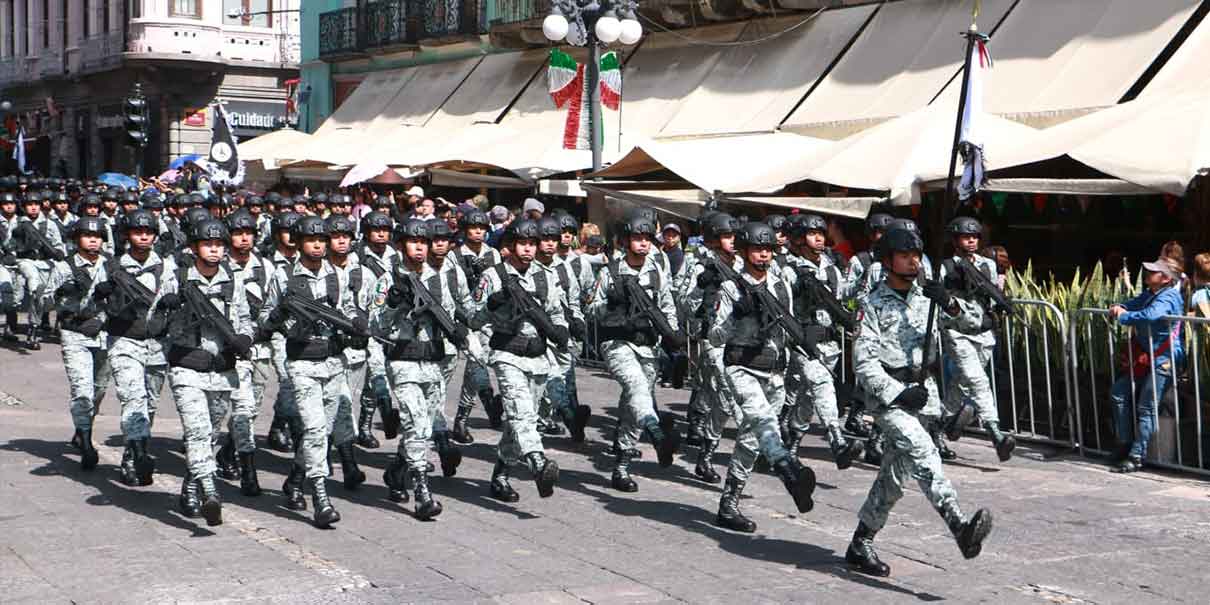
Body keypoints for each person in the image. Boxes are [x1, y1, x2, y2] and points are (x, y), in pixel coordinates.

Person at [848, 227, 993, 577]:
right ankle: (958, 525)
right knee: (924, 454)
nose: (914, 261)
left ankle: (860, 542)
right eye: (905, 255)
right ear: (887, 261)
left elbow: (976, 322)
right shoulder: (871, 305)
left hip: (924, 395)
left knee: (895, 476)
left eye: (917, 255)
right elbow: (863, 363)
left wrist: (949, 301)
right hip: (890, 399)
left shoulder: (927, 296)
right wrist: (898, 392)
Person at [261, 216, 361, 527]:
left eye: (322, 240)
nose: (318, 245)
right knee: (316, 430)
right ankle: (321, 496)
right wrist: (280, 316)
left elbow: (350, 310)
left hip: (333, 362)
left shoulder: (337, 275)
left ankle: (294, 479)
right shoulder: (283, 275)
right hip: (302, 363)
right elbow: (265, 318)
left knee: (323, 433)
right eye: (310, 240)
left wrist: (356, 326)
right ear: (299, 242)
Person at [155, 218, 254, 527]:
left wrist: (245, 339)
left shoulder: (233, 280)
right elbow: (153, 324)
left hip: (223, 371)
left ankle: (192, 482)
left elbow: (245, 318)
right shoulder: (177, 277)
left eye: (219, 245)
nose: (214, 249)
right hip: (187, 368)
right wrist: (168, 306)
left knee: (210, 433)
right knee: (197, 430)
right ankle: (211, 493)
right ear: (195, 247)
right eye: (208, 244)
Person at [368, 219, 464, 518]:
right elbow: (376, 325)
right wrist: (394, 304)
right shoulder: (389, 279)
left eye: (424, 242)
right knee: (415, 425)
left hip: (432, 363)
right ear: (400, 246)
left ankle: (396, 471)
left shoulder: (438, 278)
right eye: (413, 242)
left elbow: (450, 315)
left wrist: (459, 330)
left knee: (422, 424)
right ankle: (422, 491)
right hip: (404, 362)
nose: (420, 247)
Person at [472, 219, 566, 502]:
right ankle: (538, 462)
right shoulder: (493, 275)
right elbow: (473, 315)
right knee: (520, 411)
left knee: (521, 421)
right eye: (523, 244)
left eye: (532, 244)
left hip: (537, 358)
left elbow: (556, 311)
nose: (528, 249)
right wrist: (494, 303)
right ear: (510, 245)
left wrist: (561, 329)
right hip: (506, 355)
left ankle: (501, 474)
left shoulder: (544, 275)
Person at [586, 214, 681, 492]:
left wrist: (672, 335)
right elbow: (591, 308)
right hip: (617, 344)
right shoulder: (610, 272)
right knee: (636, 386)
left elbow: (668, 307)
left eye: (647, 239)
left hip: (647, 345)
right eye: (637, 239)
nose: (643, 244)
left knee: (633, 404)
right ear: (627, 241)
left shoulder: (656, 272)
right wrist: (613, 306)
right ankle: (656, 433)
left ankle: (622, 465)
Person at [93, 209, 173, 487]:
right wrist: (98, 295)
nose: (143, 236)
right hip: (124, 340)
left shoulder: (167, 266)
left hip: (158, 343)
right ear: (127, 235)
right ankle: (136, 456)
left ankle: (134, 448)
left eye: (148, 232)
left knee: (149, 403)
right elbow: (84, 305)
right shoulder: (111, 267)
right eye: (138, 231)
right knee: (133, 398)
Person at [781, 213, 864, 470]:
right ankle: (837, 440)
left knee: (808, 399)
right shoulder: (788, 269)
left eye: (820, 233)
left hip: (829, 343)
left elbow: (842, 298)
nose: (818, 238)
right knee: (822, 384)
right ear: (798, 238)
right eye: (811, 234)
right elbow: (784, 308)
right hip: (802, 343)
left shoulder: (831, 266)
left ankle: (790, 446)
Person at [938, 216, 1016, 463]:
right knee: (978, 381)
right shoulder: (946, 266)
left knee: (961, 386)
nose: (971, 240)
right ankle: (996, 434)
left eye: (975, 236)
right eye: (965, 236)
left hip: (982, 332)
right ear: (955, 240)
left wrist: (1002, 304)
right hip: (957, 332)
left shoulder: (987, 265)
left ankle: (936, 428)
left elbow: (992, 293)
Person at [1107, 256, 1185, 473]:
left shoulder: (1168, 296)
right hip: (1145, 357)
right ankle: (1124, 443)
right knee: (1119, 393)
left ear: (1166, 279)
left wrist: (1123, 316)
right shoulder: (1151, 293)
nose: (1148, 274)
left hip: (1164, 358)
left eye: (1154, 271)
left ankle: (1136, 455)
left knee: (1146, 406)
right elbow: (1134, 303)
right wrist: (1120, 306)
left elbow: (1151, 315)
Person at [50, 216, 112, 473]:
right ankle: (86, 442)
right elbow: (45, 301)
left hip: (105, 335)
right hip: (75, 334)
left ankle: (81, 429)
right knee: (82, 390)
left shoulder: (111, 266)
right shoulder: (64, 267)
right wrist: (65, 293)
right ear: (77, 239)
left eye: (97, 236)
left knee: (98, 390)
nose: (93, 240)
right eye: (88, 236)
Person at [222, 209, 273, 496]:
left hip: (261, 348)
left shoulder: (266, 267)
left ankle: (229, 451)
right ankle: (248, 470)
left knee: (251, 409)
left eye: (249, 233)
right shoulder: (219, 266)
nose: (244, 238)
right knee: (241, 408)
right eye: (238, 233)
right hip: (232, 349)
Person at [535, 216, 591, 440]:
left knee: (566, 377)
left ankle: (561, 416)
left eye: (554, 239)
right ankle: (566, 418)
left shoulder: (563, 267)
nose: (550, 243)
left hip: (561, 332)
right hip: (536, 333)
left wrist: (578, 321)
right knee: (551, 377)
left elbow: (574, 299)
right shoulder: (529, 267)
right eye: (545, 239)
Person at [451, 209, 502, 440]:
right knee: (476, 361)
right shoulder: (455, 256)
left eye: (482, 228)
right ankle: (462, 418)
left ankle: (489, 403)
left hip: (489, 319)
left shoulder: (493, 254)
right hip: (465, 317)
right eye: (473, 227)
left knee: (482, 366)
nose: (478, 231)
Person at [353, 210, 401, 448]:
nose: (381, 234)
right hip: (366, 323)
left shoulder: (396, 256)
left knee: (378, 379)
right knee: (376, 373)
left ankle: (366, 422)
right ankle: (363, 426)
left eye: (385, 230)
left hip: (390, 323)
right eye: (376, 230)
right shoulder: (357, 256)